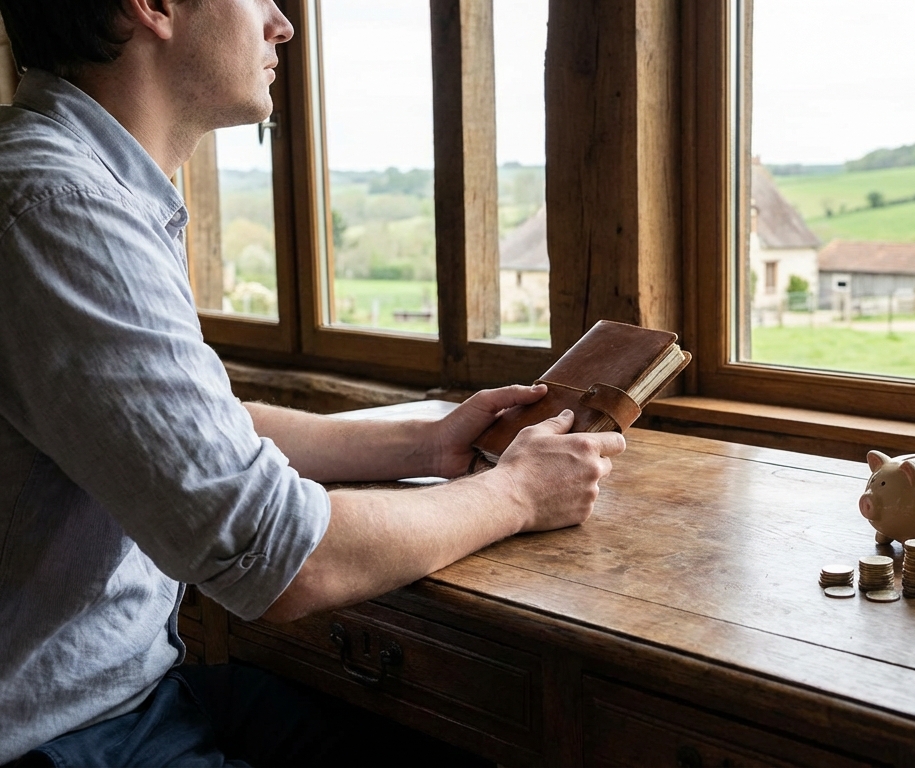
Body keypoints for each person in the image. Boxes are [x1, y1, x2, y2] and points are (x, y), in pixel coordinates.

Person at [0, 0, 627, 764]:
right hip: (65, 737)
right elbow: (281, 558)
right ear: (154, 7)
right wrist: (516, 495)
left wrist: (427, 444)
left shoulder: (68, 180)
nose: (281, 23)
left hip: (132, 696)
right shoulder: (60, 208)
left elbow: (195, 434)